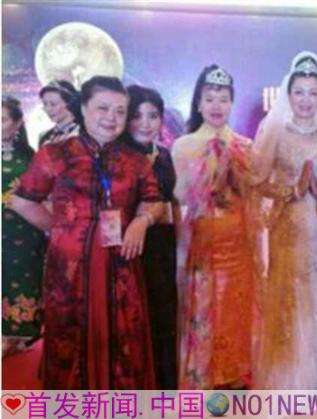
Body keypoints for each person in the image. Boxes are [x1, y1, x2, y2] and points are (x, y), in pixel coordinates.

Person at [10, 76, 163, 389]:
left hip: (121, 264)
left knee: (122, 335)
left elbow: (154, 200)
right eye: (102, 108)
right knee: (71, 336)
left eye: (120, 111)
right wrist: (60, 229)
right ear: (83, 108)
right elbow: (22, 202)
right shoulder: (55, 154)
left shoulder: (134, 160)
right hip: (70, 268)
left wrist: (141, 221)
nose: (111, 118)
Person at [250, 51, 317, 389]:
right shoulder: (276, 132)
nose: (306, 99)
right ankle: (286, 376)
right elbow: (257, 182)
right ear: (288, 95)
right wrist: (292, 190)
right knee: (288, 294)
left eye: (312, 93)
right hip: (287, 228)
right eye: (299, 92)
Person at [173, 65, 254, 389]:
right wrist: (206, 180)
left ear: (232, 103)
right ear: (198, 104)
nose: (216, 106)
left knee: (234, 302)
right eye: (209, 99)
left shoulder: (245, 145)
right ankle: (203, 373)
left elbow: (253, 195)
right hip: (202, 238)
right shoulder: (184, 145)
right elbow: (179, 196)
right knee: (203, 303)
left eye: (223, 99)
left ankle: (232, 372)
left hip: (237, 239)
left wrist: (235, 175)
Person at [126, 84, 178, 389]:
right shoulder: (116, 158)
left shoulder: (164, 155)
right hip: (129, 248)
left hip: (162, 246)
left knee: (163, 319)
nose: (145, 123)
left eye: (153, 115)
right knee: (133, 322)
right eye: (137, 115)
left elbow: (170, 202)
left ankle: (165, 392)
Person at [2, 97, 46, 357]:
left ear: (17, 123)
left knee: (22, 277)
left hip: (25, 230)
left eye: (3, 120)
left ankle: (19, 333)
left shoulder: (31, 157)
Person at [38, 80, 80, 147]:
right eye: (45, 104)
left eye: (53, 104)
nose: (48, 109)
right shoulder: (44, 137)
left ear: (69, 103)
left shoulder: (85, 133)